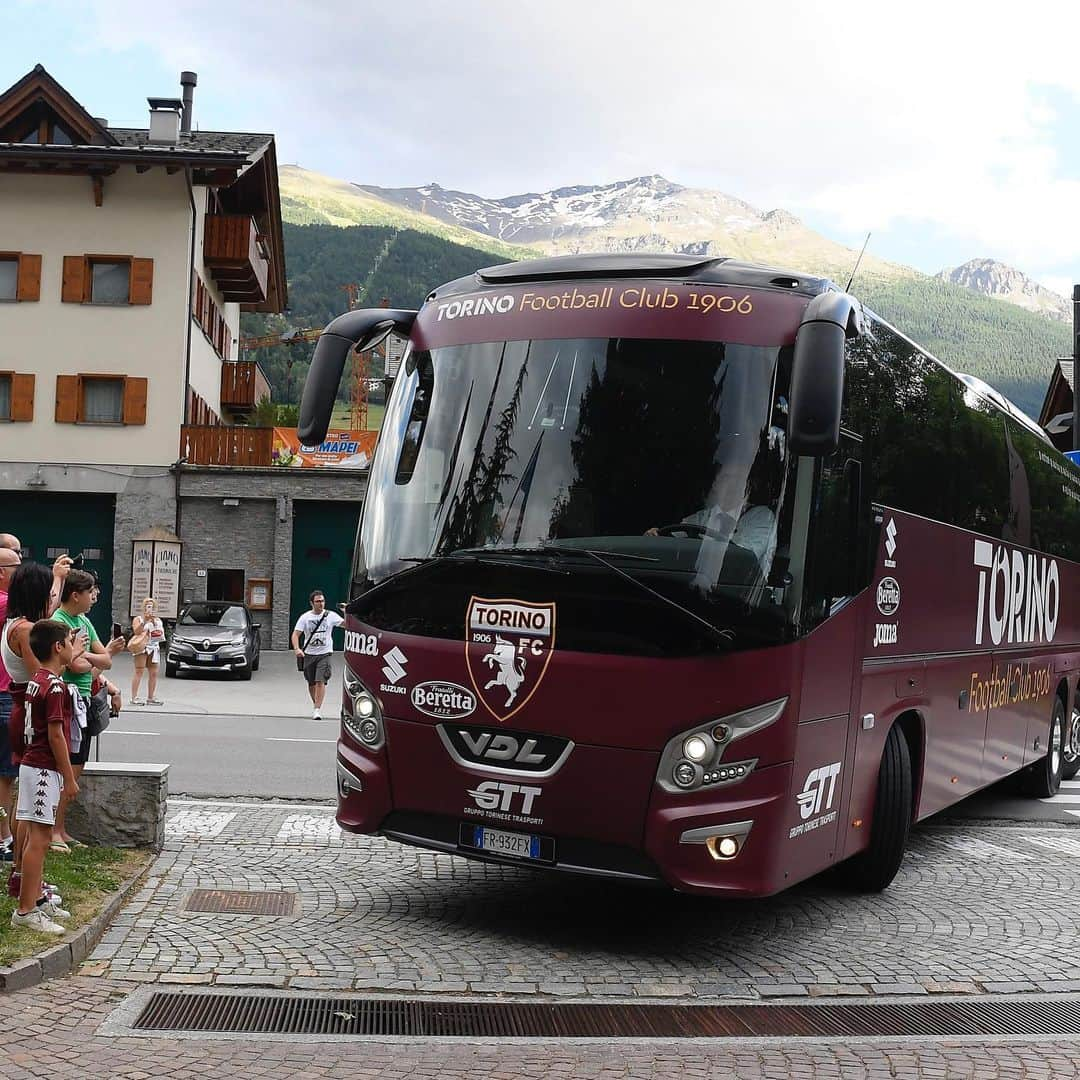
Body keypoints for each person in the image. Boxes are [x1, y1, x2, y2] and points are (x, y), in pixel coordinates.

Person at [3, 561, 72, 908]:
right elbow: (40, 674)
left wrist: (57, 578)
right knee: (30, 806)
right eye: (47, 593)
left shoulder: (15, 622)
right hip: (28, 713)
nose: (52, 599)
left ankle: (22, 875)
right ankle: (26, 880)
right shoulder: (25, 629)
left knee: (23, 797)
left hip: (20, 707)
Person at [11, 619, 79, 934]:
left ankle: (35, 899)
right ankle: (26, 911)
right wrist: (69, 777)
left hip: (30, 764)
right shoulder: (54, 687)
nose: (71, 646)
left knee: (33, 836)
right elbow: (56, 735)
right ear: (58, 647)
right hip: (42, 769)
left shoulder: (38, 679)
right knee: (39, 839)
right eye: (68, 641)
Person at [49, 571, 125, 852]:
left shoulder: (83, 621)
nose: (93, 599)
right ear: (75, 594)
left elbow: (102, 660)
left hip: (83, 701)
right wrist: (90, 658)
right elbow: (76, 667)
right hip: (66, 700)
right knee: (65, 767)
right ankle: (52, 831)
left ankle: (61, 828)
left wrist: (87, 656)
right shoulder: (59, 622)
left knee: (77, 766)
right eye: (90, 592)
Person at [291, 590, 344, 720]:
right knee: (311, 683)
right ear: (311, 603)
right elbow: (296, 634)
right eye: (318, 601)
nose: (321, 604)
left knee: (320, 680)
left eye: (322, 601)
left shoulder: (331, 615)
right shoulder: (305, 617)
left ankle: (317, 709)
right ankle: (316, 704)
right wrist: (297, 649)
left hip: (324, 653)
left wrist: (346, 612)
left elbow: (347, 625)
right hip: (309, 654)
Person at [130, 597, 165, 706]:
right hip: (142, 647)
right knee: (139, 671)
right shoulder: (138, 619)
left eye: (151, 606)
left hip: (154, 647)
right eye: (147, 606)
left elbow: (159, 634)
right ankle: (134, 697)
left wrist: (154, 621)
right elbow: (136, 631)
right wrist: (145, 620)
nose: (149, 608)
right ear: (144, 607)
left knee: (154, 673)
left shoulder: (158, 620)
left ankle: (151, 697)